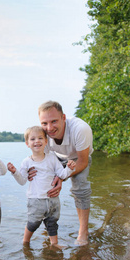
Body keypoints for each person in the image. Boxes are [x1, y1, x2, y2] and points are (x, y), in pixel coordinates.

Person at [32, 101, 93, 246]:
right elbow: (43, 162)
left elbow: (83, 162)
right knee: (46, 185)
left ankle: (83, 232)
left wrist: (62, 176)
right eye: (44, 123)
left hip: (78, 157)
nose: (50, 128)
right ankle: (48, 226)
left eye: (54, 121)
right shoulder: (42, 134)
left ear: (63, 117)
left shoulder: (80, 129)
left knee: (80, 187)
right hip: (57, 157)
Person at [7, 126, 76, 249]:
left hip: (52, 198)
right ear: (27, 144)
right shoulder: (26, 162)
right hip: (36, 199)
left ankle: (54, 243)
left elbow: (62, 174)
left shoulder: (52, 158)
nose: (37, 141)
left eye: (40, 138)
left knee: (52, 222)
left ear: (46, 141)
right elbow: (22, 181)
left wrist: (70, 168)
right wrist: (14, 172)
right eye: (32, 139)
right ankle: (25, 242)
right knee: (33, 223)